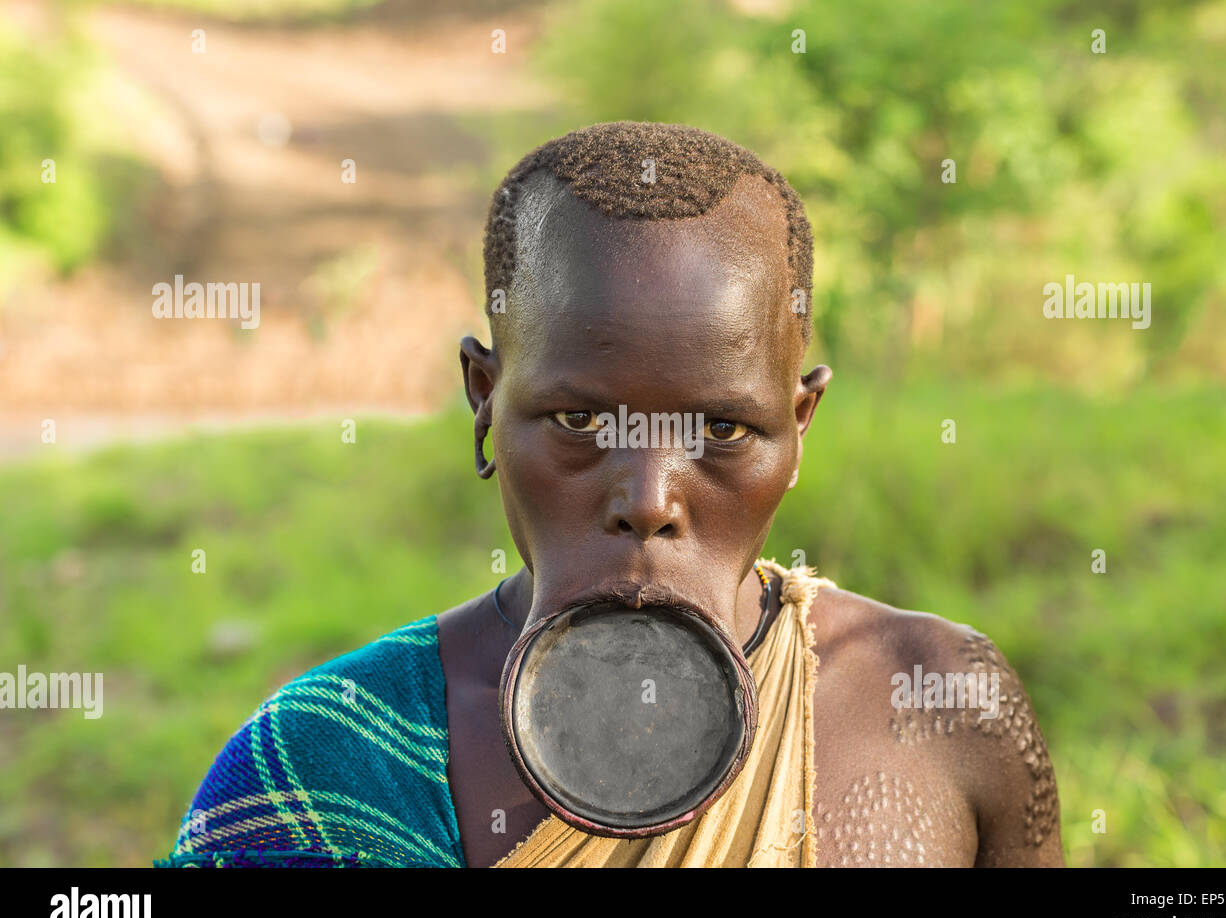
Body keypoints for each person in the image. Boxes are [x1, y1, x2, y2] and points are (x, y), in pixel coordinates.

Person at [157, 121, 1063, 868]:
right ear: (485, 399)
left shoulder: (943, 706)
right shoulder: (334, 762)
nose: (649, 498)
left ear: (799, 427)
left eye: (722, 429)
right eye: (581, 421)